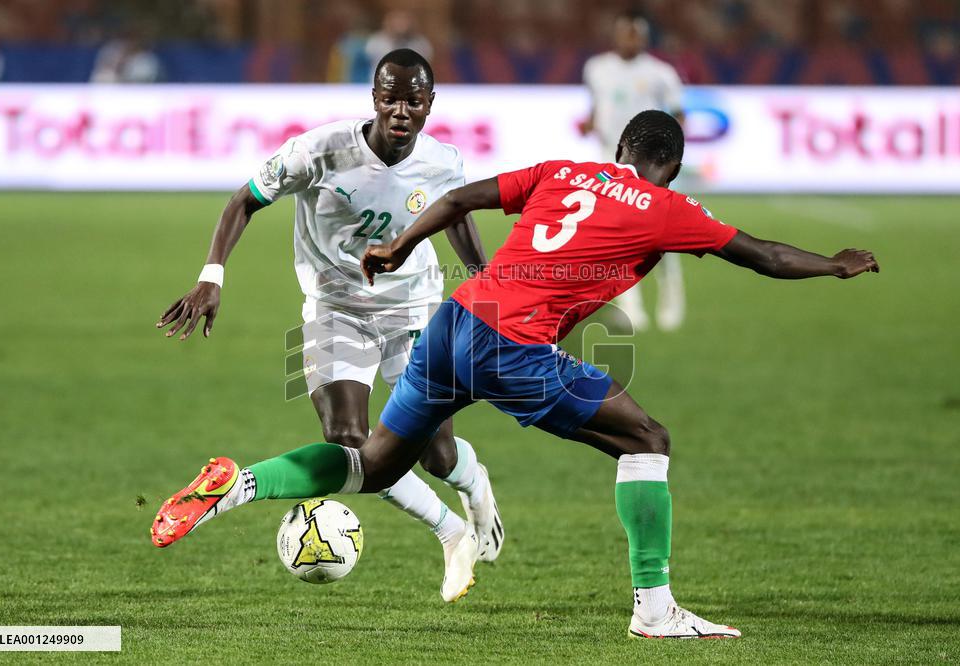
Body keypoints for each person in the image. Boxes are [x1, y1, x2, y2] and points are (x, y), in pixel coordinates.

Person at [151, 110, 878, 636]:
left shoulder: (567, 171)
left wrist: (402, 246)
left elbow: (462, 198)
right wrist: (836, 266)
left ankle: (235, 488)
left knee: (370, 466)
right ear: (670, 166)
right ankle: (655, 611)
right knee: (646, 440)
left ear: (620, 147)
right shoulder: (667, 208)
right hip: (511, 347)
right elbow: (764, 256)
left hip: (453, 322)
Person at [152, 49, 503, 603]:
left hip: (413, 309)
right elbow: (244, 200)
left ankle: (475, 488)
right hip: (334, 307)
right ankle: (449, 530)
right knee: (349, 438)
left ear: (430, 104)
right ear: (374, 98)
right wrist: (211, 276)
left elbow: (456, 215)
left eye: (413, 100)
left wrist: (488, 287)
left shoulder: (443, 162)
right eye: (390, 98)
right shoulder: (319, 151)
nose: (400, 111)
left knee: (437, 454)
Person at [581, 14, 687, 331]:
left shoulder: (661, 73)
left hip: (651, 163)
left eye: (635, 34)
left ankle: (671, 300)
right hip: (611, 159)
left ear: (644, 37)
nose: (630, 39)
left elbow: (679, 115)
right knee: (617, 234)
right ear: (615, 36)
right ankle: (632, 308)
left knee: (664, 234)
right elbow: (596, 107)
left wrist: (670, 154)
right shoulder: (596, 68)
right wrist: (590, 122)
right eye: (624, 33)